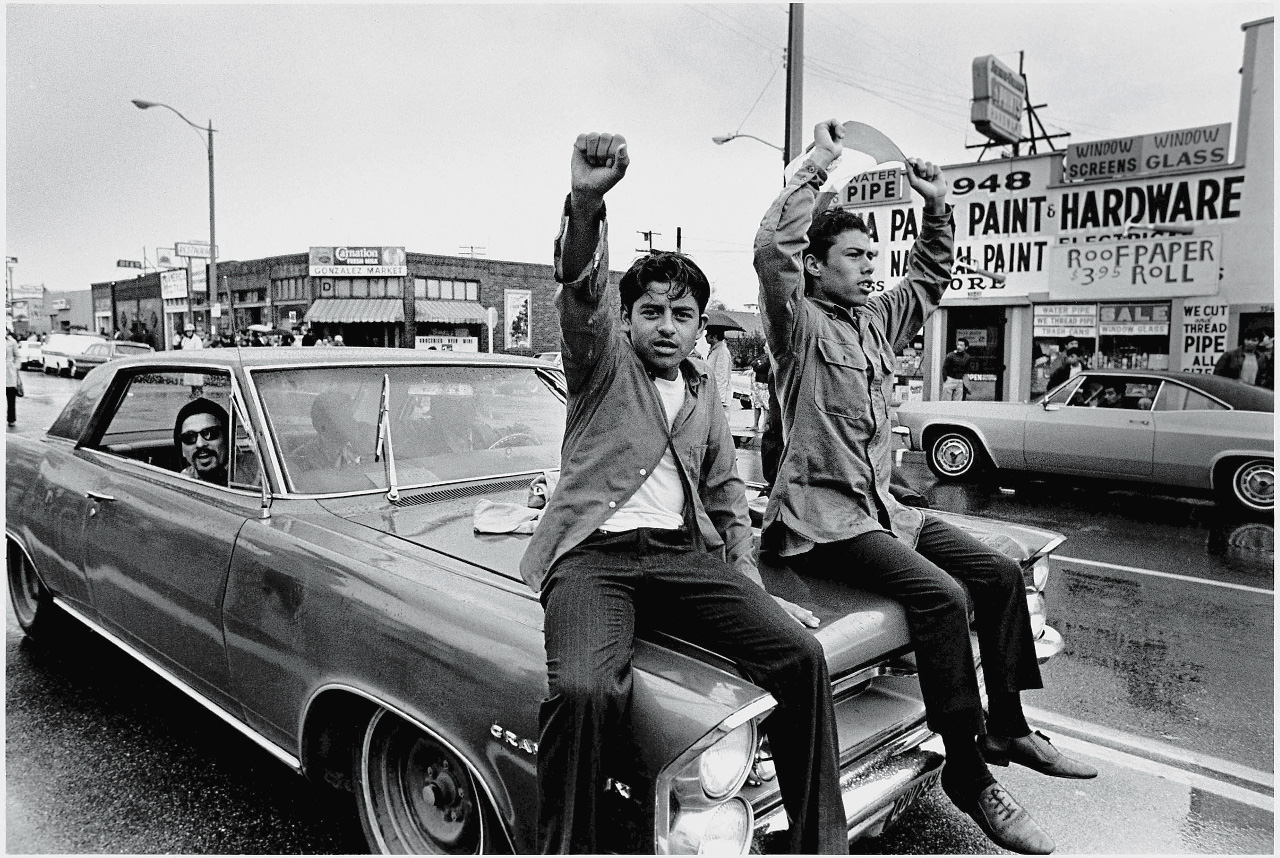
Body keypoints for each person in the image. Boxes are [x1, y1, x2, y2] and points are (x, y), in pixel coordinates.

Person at [754, 119, 1093, 856]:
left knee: (999, 574)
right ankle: (969, 776)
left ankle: (1007, 725)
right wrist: (815, 166)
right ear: (813, 268)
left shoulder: (876, 319)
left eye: (873, 254)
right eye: (852, 256)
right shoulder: (798, 324)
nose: (869, 266)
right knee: (940, 598)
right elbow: (768, 250)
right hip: (824, 521)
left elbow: (931, 276)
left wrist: (936, 204)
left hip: (885, 511)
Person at [519, 130, 845, 854]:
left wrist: (752, 586)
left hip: (678, 558)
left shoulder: (704, 394)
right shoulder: (601, 366)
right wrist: (585, 200)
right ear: (628, 319)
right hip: (592, 561)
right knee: (585, 692)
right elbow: (578, 288)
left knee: (799, 654)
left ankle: (820, 844)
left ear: (700, 325)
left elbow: (728, 499)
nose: (667, 326)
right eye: (652, 312)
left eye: (682, 314)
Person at [173, 398, 229, 485]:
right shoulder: (178, 486)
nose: (200, 444)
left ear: (227, 439)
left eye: (210, 433)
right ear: (182, 450)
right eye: (189, 437)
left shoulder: (254, 477)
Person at [704, 323, 733, 412]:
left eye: (708, 334)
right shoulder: (714, 351)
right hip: (711, 394)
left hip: (719, 398)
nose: (705, 336)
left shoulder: (722, 352)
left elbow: (721, 376)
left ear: (714, 336)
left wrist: (719, 399)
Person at [750, 349, 771, 432]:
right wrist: (757, 364)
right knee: (757, 405)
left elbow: (762, 367)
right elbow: (753, 363)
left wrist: (757, 364)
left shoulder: (770, 358)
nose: (764, 346)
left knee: (766, 406)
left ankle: (764, 425)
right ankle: (755, 424)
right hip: (758, 383)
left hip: (765, 384)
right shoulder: (763, 356)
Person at [6, 328, 22, 428]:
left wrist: (15, 367)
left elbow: (18, 356)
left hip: (9, 372)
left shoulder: (12, 342)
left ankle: (11, 419)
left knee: (11, 397)